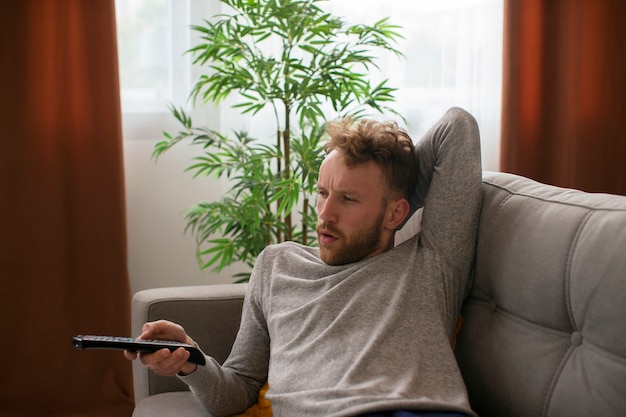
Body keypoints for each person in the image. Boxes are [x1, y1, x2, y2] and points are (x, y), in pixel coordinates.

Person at [126, 107, 483, 417]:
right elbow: (237, 391)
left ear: (396, 214)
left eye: (348, 199)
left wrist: (393, 179)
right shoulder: (278, 266)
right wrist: (192, 359)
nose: (325, 215)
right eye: (323, 193)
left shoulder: (431, 263)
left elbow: (458, 126)